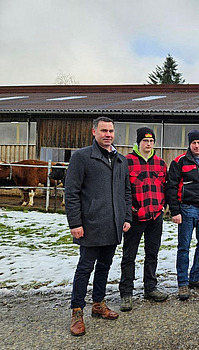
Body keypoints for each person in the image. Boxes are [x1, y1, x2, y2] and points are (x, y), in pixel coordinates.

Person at [65, 116, 132, 336]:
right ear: (94, 132)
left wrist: (127, 217)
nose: (108, 135)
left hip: (113, 225)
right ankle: (77, 312)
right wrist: (75, 223)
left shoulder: (121, 160)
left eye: (111, 131)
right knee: (85, 268)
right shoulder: (82, 157)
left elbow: (126, 192)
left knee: (105, 266)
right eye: (104, 130)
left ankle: (98, 304)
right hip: (90, 225)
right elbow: (72, 193)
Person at [119, 127, 169, 312]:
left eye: (151, 141)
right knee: (129, 256)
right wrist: (130, 210)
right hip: (134, 217)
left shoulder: (160, 163)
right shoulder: (126, 162)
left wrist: (163, 205)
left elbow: (165, 186)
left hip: (155, 216)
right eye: (145, 141)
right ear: (138, 142)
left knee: (152, 254)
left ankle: (150, 287)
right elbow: (121, 189)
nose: (148, 144)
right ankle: (126, 293)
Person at [166, 130, 199, 301]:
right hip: (188, 209)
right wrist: (175, 210)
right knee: (184, 247)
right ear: (189, 144)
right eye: (194, 143)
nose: (197, 146)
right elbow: (171, 187)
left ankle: (195, 276)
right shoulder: (180, 161)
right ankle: (183, 282)